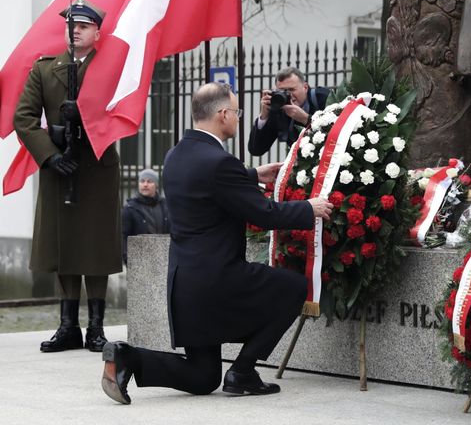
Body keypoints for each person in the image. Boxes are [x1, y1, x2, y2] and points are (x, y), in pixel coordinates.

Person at [100, 83, 333, 404]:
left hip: (185, 286)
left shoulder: (176, 154)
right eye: (236, 112)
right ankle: (243, 371)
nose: (238, 118)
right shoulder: (219, 162)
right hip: (219, 282)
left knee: (203, 376)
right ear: (222, 115)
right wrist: (310, 208)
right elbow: (264, 213)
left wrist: (251, 174)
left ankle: (127, 359)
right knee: (294, 288)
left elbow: (207, 185)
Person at [13, 0, 121, 353]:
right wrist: (49, 156)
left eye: (83, 25)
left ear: (97, 31)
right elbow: (24, 118)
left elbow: (123, 114)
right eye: (71, 25)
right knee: (65, 245)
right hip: (59, 167)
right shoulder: (44, 69)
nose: (75, 30)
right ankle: (67, 325)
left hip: (96, 166)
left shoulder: (112, 67)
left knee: (95, 246)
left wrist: (87, 114)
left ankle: (96, 327)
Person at [248, 67, 329, 155]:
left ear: (305, 87)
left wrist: (305, 119)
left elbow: (338, 134)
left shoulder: (322, 98)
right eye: (282, 91)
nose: (288, 95)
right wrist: (263, 116)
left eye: (291, 90)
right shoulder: (278, 106)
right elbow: (256, 150)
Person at [121, 168, 170, 264]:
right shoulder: (130, 208)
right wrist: (127, 258)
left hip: (163, 259)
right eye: (142, 181)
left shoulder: (165, 206)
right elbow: (123, 236)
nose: (145, 184)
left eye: (149, 181)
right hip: (139, 261)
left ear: (156, 185)